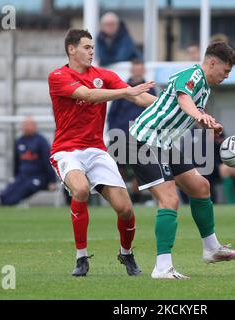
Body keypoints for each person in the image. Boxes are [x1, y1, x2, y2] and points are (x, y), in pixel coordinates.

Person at [129, 41, 235, 280]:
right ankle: (162, 268)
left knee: (201, 186)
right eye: (226, 70)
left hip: (163, 143)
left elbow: (188, 110)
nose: (226, 75)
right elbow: (184, 100)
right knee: (170, 199)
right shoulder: (191, 75)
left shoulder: (206, 88)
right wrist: (198, 114)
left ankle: (212, 249)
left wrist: (207, 123)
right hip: (144, 141)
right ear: (213, 62)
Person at [48, 29, 156, 277]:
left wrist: (180, 108)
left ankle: (126, 253)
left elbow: (139, 99)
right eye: (86, 47)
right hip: (66, 151)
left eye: (92, 47)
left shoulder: (104, 75)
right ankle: (81, 257)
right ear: (71, 49)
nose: (91, 51)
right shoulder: (57, 76)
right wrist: (126, 91)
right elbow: (88, 95)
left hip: (96, 150)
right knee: (81, 189)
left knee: (125, 209)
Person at [107, 59, 157, 203]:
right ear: (132, 70)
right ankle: (119, 197)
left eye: (139, 69)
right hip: (121, 135)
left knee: (139, 169)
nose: (137, 71)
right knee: (118, 168)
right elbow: (112, 114)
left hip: (140, 136)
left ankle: (135, 199)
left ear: (143, 71)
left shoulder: (150, 89)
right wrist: (113, 132)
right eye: (135, 69)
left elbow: (154, 112)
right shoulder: (124, 88)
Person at [0, 117, 57, 206]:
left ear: (35, 126)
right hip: (23, 175)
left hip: (39, 176)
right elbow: (16, 161)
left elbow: (48, 161)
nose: (26, 127)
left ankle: (3, 203)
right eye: (24, 125)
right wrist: (15, 175)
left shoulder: (41, 141)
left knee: (25, 188)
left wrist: (52, 181)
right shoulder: (19, 141)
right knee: (12, 186)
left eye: (28, 125)